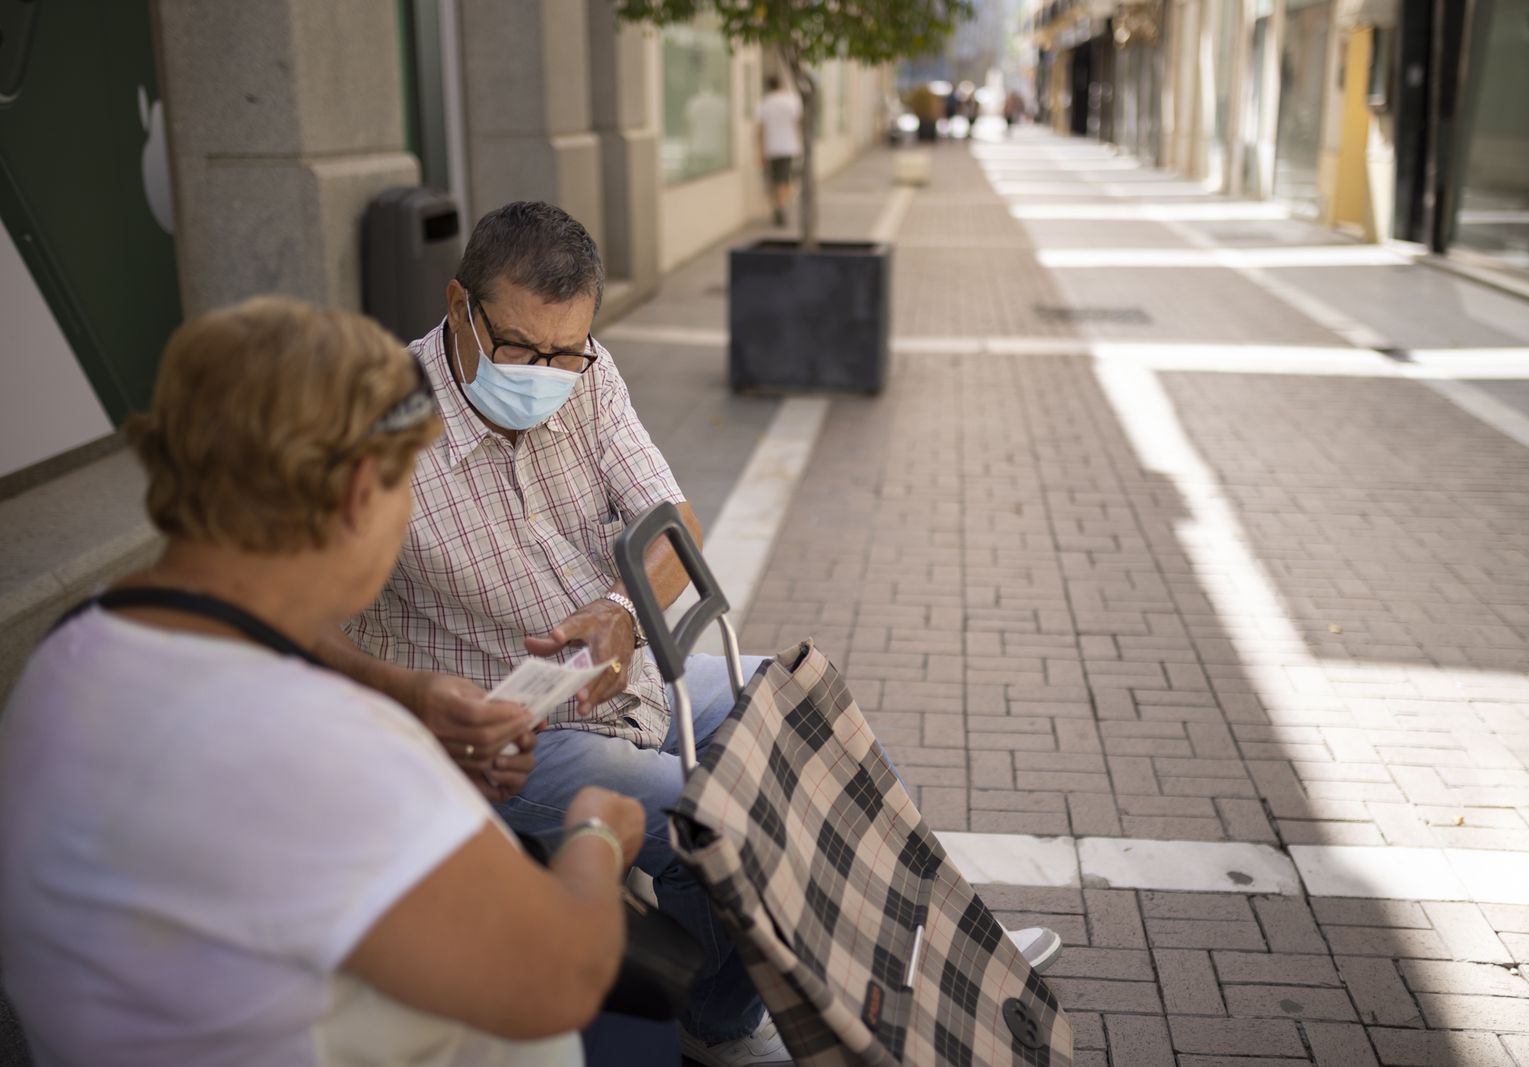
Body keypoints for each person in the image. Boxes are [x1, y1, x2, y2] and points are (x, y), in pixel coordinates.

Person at [317, 202, 1065, 1066]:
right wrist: (418, 700)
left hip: (623, 676)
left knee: (806, 714)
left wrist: (625, 613)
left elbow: (672, 518)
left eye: (567, 350)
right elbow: (296, 620)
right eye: (521, 347)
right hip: (501, 731)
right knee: (712, 820)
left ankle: (928, 953)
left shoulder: (588, 375)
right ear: (459, 307)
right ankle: (717, 1020)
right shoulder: (375, 427)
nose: (545, 374)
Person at [0, 297, 644, 1065]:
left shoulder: (72, 652)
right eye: (407, 480)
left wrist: (410, 718)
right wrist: (600, 830)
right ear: (358, 493)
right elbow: (561, 977)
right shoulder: (311, 745)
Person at [756, 75, 801, 227]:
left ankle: (778, 207)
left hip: (771, 148)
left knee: (774, 180)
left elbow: (759, 129)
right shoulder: (791, 101)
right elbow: (797, 124)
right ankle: (781, 206)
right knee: (784, 179)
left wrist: (759, 150)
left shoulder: (765, 103)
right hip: (788, 147)